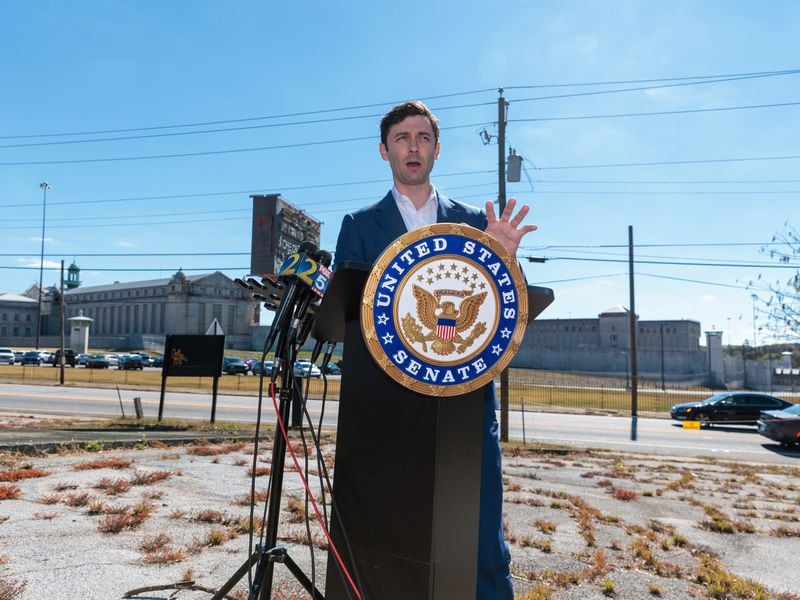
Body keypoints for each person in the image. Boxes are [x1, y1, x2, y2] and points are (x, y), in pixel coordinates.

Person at [334, 100, 537, 599]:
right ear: (384, 151)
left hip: (463, 405)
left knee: (478, 529)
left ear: (437, 150)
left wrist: (504, 256)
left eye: (423, 138)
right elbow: (342, 315)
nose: (413, 147)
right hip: (386, 405)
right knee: (388, 528)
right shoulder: (359, 225)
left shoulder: (474, 223)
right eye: (402, 138)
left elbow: (507, 306)